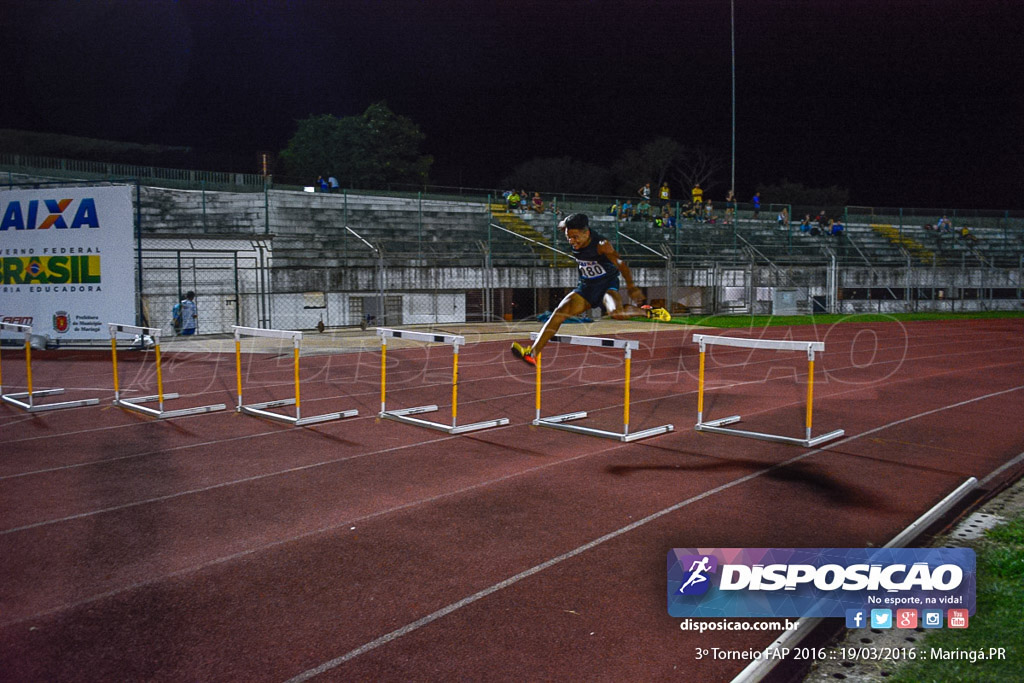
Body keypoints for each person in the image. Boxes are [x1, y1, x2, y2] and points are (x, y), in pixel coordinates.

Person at [510, 213, 668, 366]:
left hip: (607, 285)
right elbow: (564, 225)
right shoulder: (570, 228)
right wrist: (563, 223)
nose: (572, 241)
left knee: (617, 313)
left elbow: (621, 264)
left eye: (575, 237)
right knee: (558, 314)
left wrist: (632, 287)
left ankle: (649, 312)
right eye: (568, 237)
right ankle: (532, 354)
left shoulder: (602, 245)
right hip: (586, 287)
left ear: (587, 233)